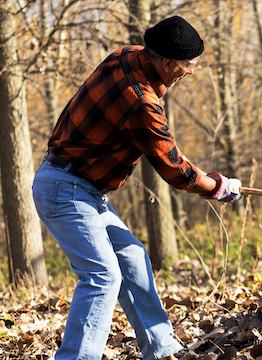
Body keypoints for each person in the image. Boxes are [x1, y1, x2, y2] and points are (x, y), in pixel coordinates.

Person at [32, 15, 241, 360]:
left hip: (83, 189)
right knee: (102, 276)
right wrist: (216, 186)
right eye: (188, 65)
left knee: (132, 257)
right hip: (65, 189)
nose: (191, 71)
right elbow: (174, 169)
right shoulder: (140, 101)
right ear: (167, 62)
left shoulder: (126, 55)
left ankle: (162, 349)